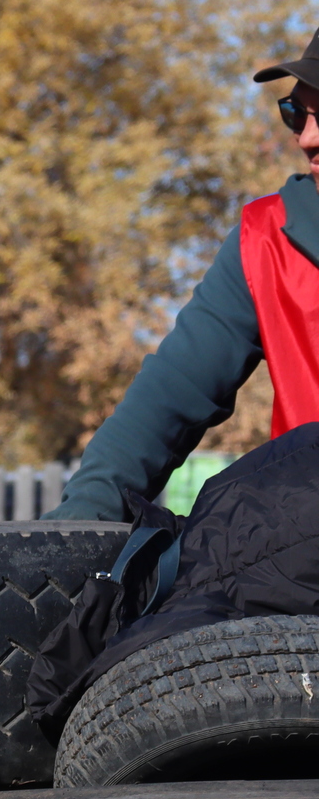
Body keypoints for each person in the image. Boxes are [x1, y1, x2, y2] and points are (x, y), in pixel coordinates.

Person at [52, 30, 319, 521]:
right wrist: (74, 535)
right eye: (296, 113)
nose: (306, 137)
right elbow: (171, 394)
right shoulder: (266, 239)